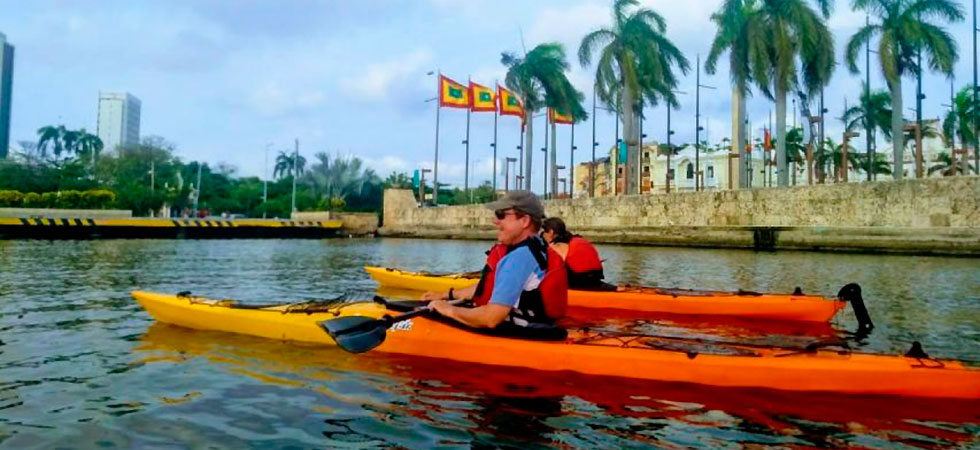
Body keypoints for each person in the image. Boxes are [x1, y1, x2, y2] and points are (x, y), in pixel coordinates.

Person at [424, 191, 568, 329]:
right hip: (541, 327)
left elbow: (491, 318)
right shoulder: (538, 247)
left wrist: (447, 310)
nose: (495, 221)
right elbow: (495, 287)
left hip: (521, 333)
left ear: (524, 221)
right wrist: (448, 295)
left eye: (501, 215)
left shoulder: (519, 258)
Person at [540, 217, 611, 290]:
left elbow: (552, 270)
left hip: (579, 282)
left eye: (544, 232)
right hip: (596, 278)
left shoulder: (557, 246)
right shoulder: (578, 240)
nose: (543, 235)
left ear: (551, 232)